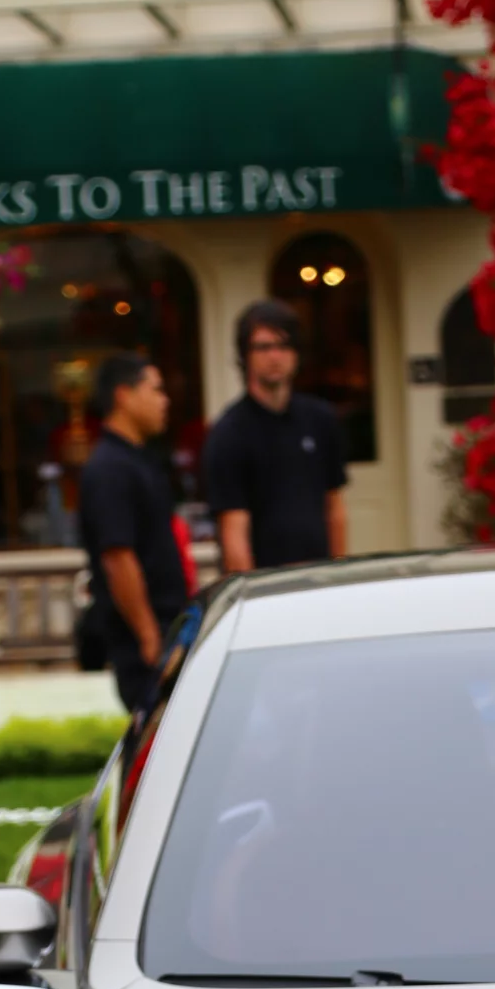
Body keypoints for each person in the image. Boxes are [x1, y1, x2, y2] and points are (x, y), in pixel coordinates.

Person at [77, 354, 188, 715]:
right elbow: (117, 557)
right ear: (124, 396)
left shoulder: (140, 459)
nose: (164, 400)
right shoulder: (109, 468)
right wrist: (148, 635)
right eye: (155, 390)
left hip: (170, 626)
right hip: (144, 642)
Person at [204, 299, 349, 573]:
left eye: (283, 345)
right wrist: (251, 591)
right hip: (266, 584)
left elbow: (334, 508)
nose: (275, 356)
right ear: (245, 355)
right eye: (263, 347)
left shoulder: (320, 419)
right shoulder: (229, 433)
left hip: (319, 577)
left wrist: (339, 573)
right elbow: (233, 532)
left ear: (296, 354)